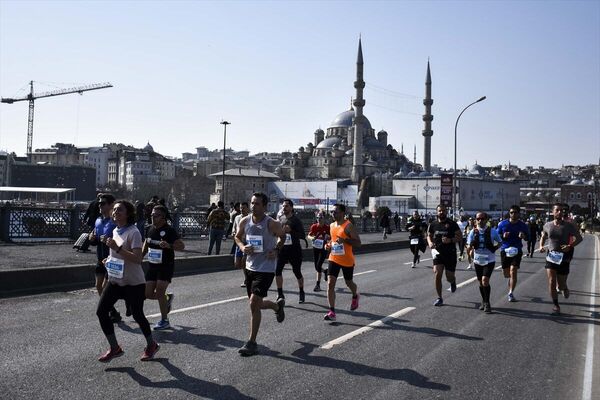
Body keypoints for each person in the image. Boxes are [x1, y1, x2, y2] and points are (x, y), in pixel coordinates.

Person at [96, 200, 159, 362]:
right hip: (116, 280)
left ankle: (151, 344)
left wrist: (117, 248)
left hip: (133, 282)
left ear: (128, 214)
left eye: (120, 210)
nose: (115, 212)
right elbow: (117, 255)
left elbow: (138, 259)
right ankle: (114, 348)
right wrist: (109, 259)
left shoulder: (134, 232)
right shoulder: (116, 231)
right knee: (101, 311)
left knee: (138, 315)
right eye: (114, 209)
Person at [235, 193, 286, 356]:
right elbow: (236, 237)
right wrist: (242, 247)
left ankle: (252, 342)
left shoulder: (272, 223)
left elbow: (283, 237)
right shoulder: (245, 221)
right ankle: (277, 306)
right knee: (256, 304)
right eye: (252, 203)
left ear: (264, 206)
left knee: (253, 303)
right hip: (250, 267)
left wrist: (276, 250)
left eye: (257, 204)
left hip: (266, 269)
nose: (253, 206)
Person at [143, 205, 185, 330]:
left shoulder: (169, 230)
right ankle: (167, 298)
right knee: (148, 293)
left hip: (165, 266)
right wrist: (139, 257)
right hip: (152, 266)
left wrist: (169, 245)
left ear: (163, 217)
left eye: (156, 215)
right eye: (151, 215)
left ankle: (164, 320)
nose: (153, 217)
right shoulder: (149, 229)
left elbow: (181, 246)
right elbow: (146, 242)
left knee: (160, 291)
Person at [539, 203, 583, 314]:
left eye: (561, 210)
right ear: (553, 212)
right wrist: (540, 246)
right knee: (551, 281)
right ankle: (556, 305)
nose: (559, 212)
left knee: (561, 285)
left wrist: (570, 246)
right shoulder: (547, 225)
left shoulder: (568, 226)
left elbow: (579, 238)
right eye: (557, 210)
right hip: (551, 257)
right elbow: (543, 236)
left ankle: (565, 287)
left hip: (564, 257)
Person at [323, 203, 362, 321]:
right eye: (332, 212)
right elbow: (333, 241)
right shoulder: (331, 225)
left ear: (342, 213)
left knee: (349, 282)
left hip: (347, 260)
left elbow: (358, 243)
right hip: (334, 257)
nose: (333, 214)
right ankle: (332, 311)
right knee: (330, 284)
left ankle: (355, 295)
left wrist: (345, 240)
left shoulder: (348, 226)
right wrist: (328, 245)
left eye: (335, 212)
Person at [88, 193, 121, 323]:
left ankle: (115, 309)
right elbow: (95, 238)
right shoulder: (98, 220)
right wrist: (92, 238)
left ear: (111, 205)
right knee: (98, 286)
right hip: (100, 258)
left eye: (103, 203)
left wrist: (111, 241)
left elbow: (122, 239)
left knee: (107, 288)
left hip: (112, 260)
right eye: (99, 203)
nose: (99, 206)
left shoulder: (115, 221)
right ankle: (112, 311)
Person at [467, 212, 502, 313]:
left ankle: (487, 303)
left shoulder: (493, 231)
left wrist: (494, 248)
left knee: (485, 280)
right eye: (478, 219)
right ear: (475, 220)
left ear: (486, 220)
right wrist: (470, 247)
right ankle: (483, 300)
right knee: (480, 282)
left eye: (482, 219)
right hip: (477, 260)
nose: (480, 221)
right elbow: (468, 245)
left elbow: (500, 242)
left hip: (489, 260)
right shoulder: (473, 232)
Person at [427, 204, 462, 306]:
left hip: (450, 253)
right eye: (439, 211)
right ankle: (439, 298)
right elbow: (429, 235)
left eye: (443, 211)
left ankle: (452, 282)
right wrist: (429, 242)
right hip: (438, 253)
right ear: (436, 212)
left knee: (449, 276)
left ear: (446, 212)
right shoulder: (433, 224)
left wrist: (450, 240)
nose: (441, 212)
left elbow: (459, 237)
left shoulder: (452, 224)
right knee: (437, 274)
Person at [275, 199, 308, 304]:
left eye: (286, 206)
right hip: (283, 249)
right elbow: (277, 233)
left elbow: (302, 235)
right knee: (277, 271)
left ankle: (301, 292)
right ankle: (280, 294)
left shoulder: (296, 220)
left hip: (294, 249)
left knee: (296, 271)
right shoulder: (280, 219)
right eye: (283, 206)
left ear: (291, 208)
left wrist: (292, 231)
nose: (284, 208)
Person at [496, 205, 529, 302]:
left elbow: (528, 238)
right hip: (505, 250)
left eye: (515, 212)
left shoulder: (523, 225)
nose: (513, 214)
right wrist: (503, 236)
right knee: (507, 274)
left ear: (519, 213)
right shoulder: (502, 224)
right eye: (511, 212)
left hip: (517, 250)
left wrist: (523, 236)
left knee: (513, 270)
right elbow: (497, 236)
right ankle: (510, 280)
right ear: (509, 213)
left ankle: (511, 293)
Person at [307, 212, 330, 291]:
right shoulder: (314, 226)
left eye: (320, 218)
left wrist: (328, 237)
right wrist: (312, 238)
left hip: (323, 248)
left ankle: (318, 285)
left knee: (319, 265)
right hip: (315, 247)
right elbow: (309, 235)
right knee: (316, 267)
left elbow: (331, 237)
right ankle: (325, 271)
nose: (319, 219)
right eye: (317, 218)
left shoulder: (327, 228)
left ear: (324, 219)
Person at [232, 202, 250, 287]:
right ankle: (249, 276)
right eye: (241, 208)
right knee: (237, 263)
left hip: (248, 242)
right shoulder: (237, 218)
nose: (242, 209)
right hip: (239, 242)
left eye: (244, 208)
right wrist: (233, 233)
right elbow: (234, 228)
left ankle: (247, 280)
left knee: (244, 261)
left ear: (248, 208)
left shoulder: (250, 218)